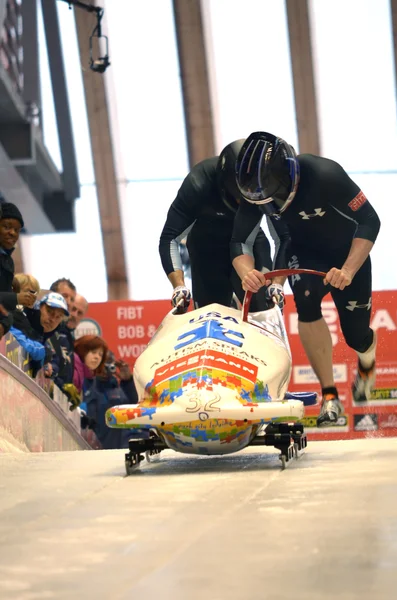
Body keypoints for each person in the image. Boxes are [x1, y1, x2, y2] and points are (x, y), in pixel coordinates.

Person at [231, 131, 381, 427]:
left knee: (356, 336)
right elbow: (239, 243)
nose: (267, 203)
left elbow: (370, 220)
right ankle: (330, 396)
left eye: (271, 196)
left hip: (348, 255)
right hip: (304, 254)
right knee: (307, 301)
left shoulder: (325, 173)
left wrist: (349, 269)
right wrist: (246, 272)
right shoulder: (255, 190)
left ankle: (367, 364)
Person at [159, 140, 282, 313]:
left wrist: (277, 284)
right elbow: (170, 237)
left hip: (250, 245)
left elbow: (283, 236)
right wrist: (179, 285)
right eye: (241, 196)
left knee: (263, 310)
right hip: (207, 251)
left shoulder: (266, 184)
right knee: (210, 316)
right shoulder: (197, 183)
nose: (244, 203)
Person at [0, 202, 36, 311]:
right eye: (7, 227)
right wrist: (16, 298)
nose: (12, 233)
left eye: (17, 230)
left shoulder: (8, 261)